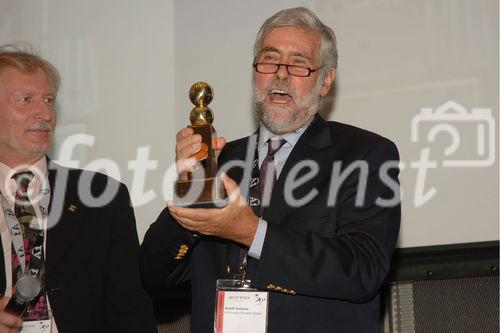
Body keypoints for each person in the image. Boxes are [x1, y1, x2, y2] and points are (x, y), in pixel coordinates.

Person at [141, 7, 400, 333]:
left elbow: (363, 270)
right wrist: (192, 186)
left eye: (298, 64)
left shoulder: (364, 155)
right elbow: (154, 274)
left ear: (325, 81)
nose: (281, 73)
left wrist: (252, 232)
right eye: (270, 60)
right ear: (255, 72)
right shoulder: (222, 160)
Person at [0, 45, 157, 332]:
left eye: (49, 100)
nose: (44, 113)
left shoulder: (103, 196)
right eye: (26, 100)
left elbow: (132, 310)